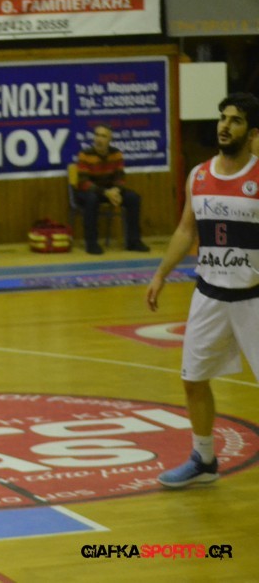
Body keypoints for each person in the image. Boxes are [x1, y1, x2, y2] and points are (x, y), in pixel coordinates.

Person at [146, 92, 259, 488]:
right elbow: (185, 229)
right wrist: (161, 274)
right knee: (193, 379)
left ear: (253, 133)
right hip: (209, 294)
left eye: (236, 120)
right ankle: (204, 459)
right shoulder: (199, 175)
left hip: (254, 299)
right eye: (223, 118)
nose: (225, 126)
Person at [75, 123, 150, 255]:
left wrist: (116, 191)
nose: (99, 139)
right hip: (89, 192)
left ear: (110, 139)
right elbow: (84, 182)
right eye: (97, 135)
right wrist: (106, 192)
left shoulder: (116, 154)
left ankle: (133, 242)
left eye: (103, 136)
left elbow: (120, 177)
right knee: (91, 199)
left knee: (133, 198)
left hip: (110, 191)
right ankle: (91, 244)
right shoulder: (84, 154)